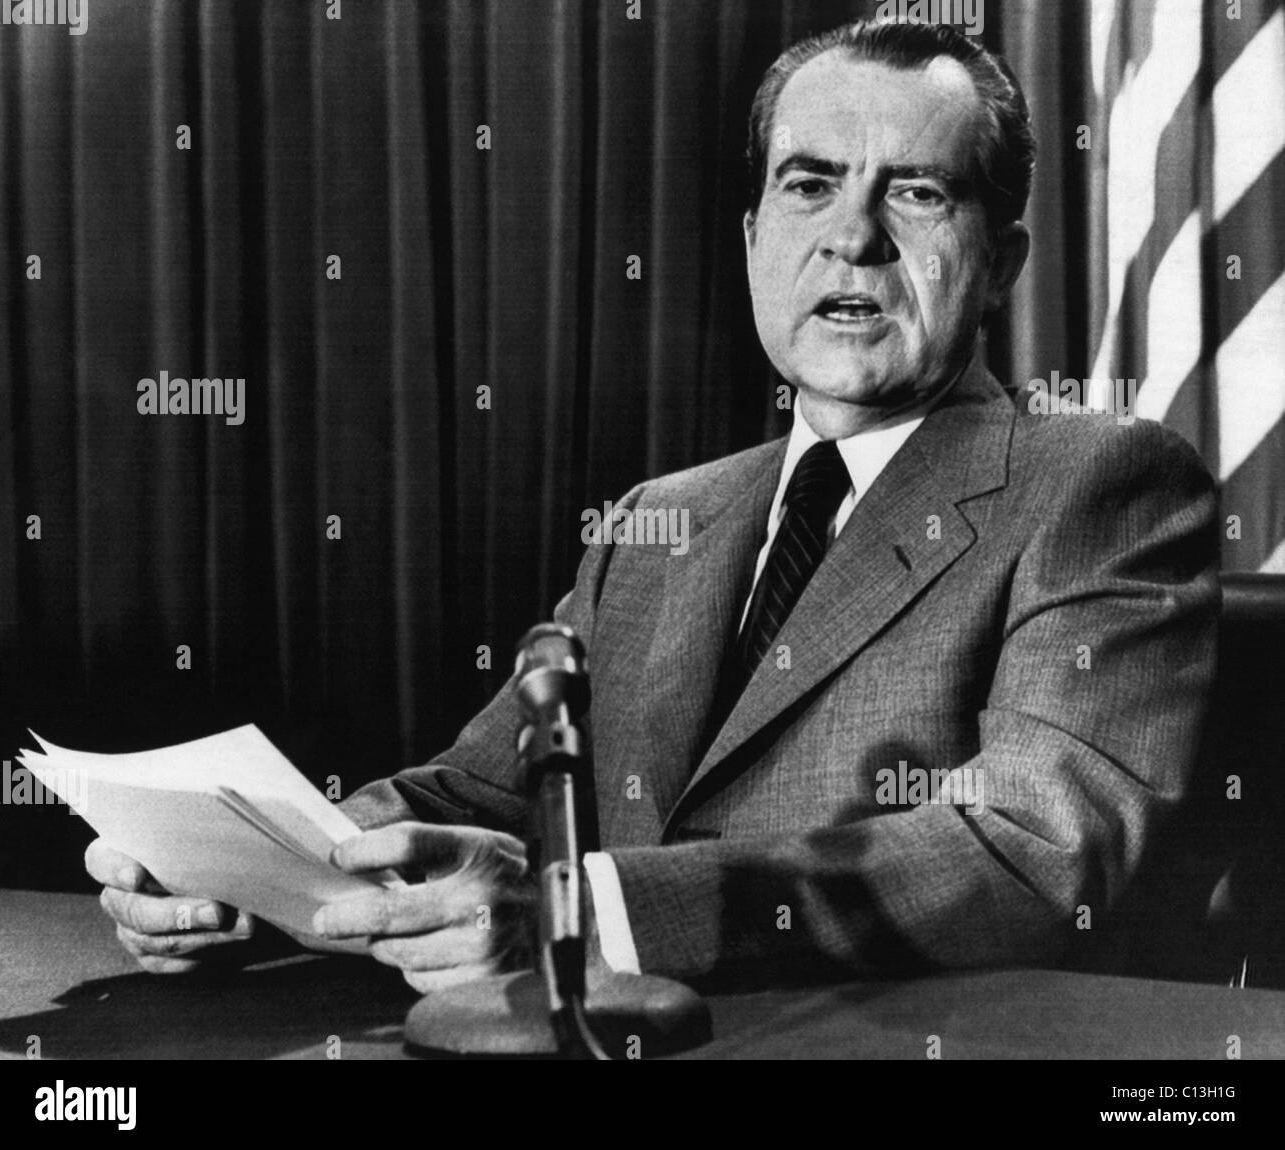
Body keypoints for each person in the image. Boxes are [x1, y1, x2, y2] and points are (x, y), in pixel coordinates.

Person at [86, 20, 1219, 993]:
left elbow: (1029, 851)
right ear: (753, 238)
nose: (852, 236)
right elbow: (485, 790)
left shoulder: (1100, 482)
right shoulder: (657, 519)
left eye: (916, 193)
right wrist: (266, 862)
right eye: (808, 183)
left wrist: (585, 916)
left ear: (1003, 258)